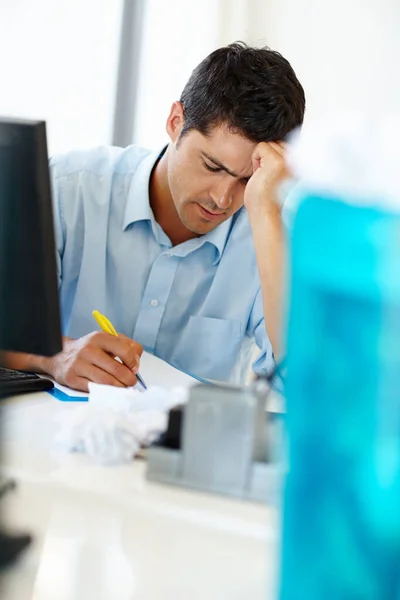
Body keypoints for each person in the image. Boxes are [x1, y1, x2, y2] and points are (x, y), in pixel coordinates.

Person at [4, 43, 305, 391]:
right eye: (211, 166)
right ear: (175, 122)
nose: (222, 199)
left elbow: (305, 382)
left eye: (247, 180)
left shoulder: (270, 237)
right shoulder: (67, 189)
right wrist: (55, 356)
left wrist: (267, 211)